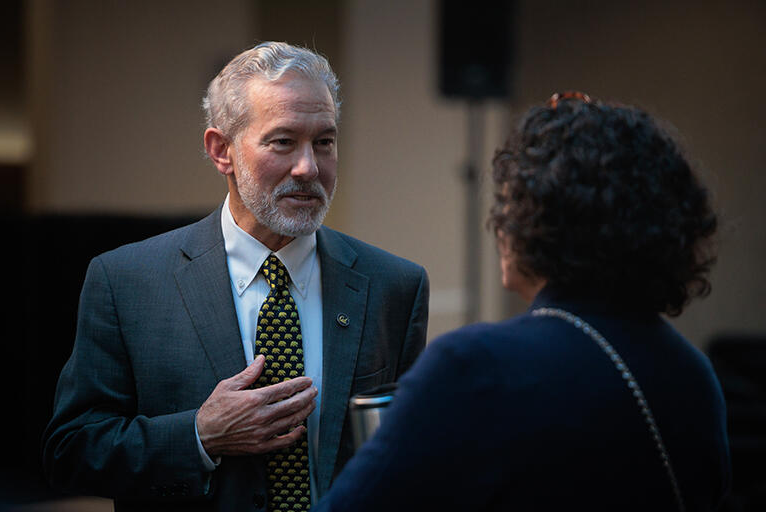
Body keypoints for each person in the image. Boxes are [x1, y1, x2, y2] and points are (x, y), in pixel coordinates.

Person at [42, 42, 429, 511]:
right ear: (221, 150)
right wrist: (200, 436)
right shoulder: (127, 282)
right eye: (283, 141)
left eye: (323, 142)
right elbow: (72, 451)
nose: (308, 167)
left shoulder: (393, 286)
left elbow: (413, 456)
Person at [313, 92, 731, 511]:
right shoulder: (694, 375)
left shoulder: (476, 366)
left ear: (541, 222)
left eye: (508, 202)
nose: (498, 224)